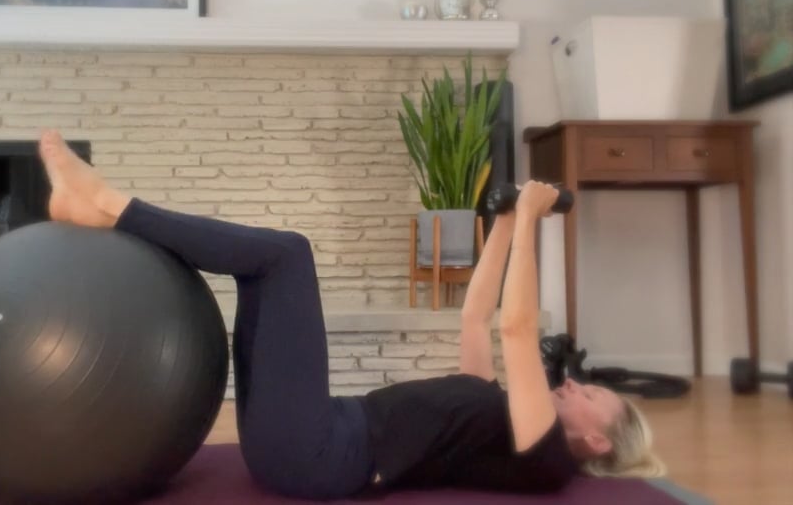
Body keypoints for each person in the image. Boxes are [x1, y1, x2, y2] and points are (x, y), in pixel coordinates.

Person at [36, 129, 666, 500]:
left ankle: (108, 204)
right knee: (266, 266)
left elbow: (517, 328)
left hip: (317, 455)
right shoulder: (495, 414)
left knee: (285, 256)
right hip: (312, 437)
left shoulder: (547, 456)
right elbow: (477, 320)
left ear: (597, 440)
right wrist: (502, 223)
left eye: (591, 395)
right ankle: (96, 209)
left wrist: (532, 221)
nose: (576, 383)